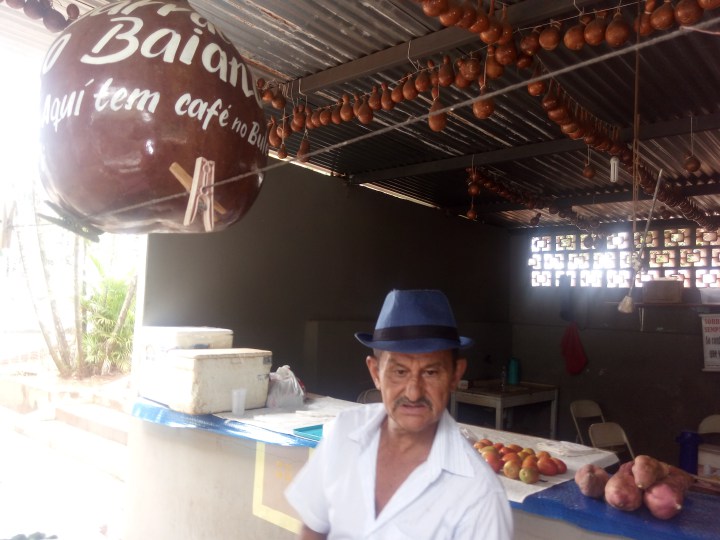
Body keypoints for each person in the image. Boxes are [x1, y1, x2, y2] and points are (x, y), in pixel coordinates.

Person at [285, 289, 513, 539]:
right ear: (375, 372)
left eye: (431, 372)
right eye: (400, 372)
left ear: (455, 376)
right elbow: (313, 527)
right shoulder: (344, 431)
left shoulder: (479, 493)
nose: (414, 393)